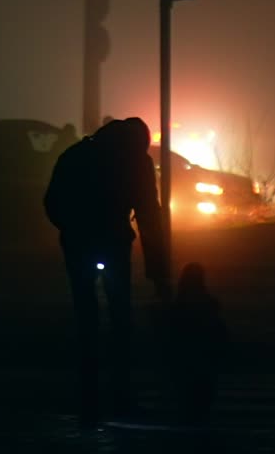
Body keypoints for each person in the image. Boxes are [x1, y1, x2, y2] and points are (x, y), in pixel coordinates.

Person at [44, 115, 168, 424]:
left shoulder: (76, 154)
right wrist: (158, 271)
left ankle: (89, 396)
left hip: (78, 244)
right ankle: (122, 395)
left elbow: (52, 201)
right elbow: (149, 216)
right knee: (120, 318)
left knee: (86, 317)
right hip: (114, 242)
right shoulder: (137, 163)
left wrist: (71, 229)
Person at [166, 261, 227, 425]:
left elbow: (172, 339)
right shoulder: (210, 305)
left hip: (186, 362)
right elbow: (219, 334)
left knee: (187, 402)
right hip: (203, 361)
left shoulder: (177, 308)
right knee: (202, 402)